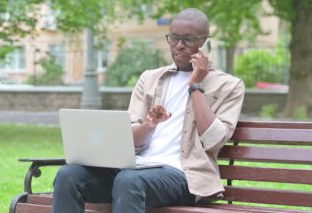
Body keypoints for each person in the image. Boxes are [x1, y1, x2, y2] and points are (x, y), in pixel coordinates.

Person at [53, 8, 245, 213]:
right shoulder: (150, 78)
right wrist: (149, 125)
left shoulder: (229, 86)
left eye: (188, 39)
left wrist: (196, 85)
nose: (179, 45)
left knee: (129, 181)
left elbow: (214, 140)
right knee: (69, 175)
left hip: (184, 176)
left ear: (205, 42)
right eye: (174, 38)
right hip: (135, 169)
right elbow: (130, 139)